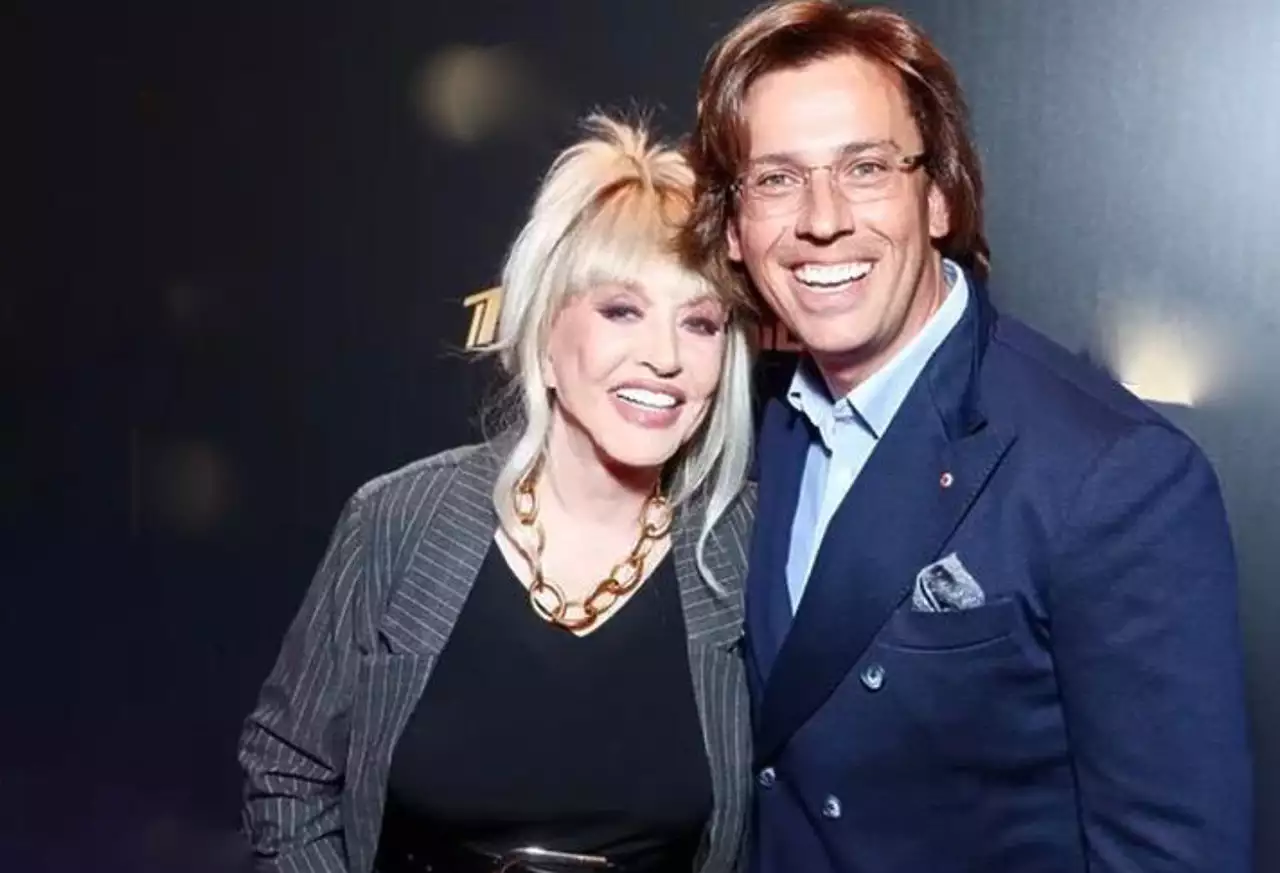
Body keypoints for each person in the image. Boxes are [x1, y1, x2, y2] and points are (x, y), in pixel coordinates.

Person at [680, 2, 1253, 871]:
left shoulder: (1116, 475)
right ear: (734, 226)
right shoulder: (756, 421)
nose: (822, 218)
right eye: (777, 179)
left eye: (866, 167)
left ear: (939, 194)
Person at [238, 114, 758, 873]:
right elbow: (287, 771)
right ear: (545, 334)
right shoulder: (399, 522)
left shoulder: (748, 548)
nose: (665, 356)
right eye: (622, 310)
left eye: (701, 323)